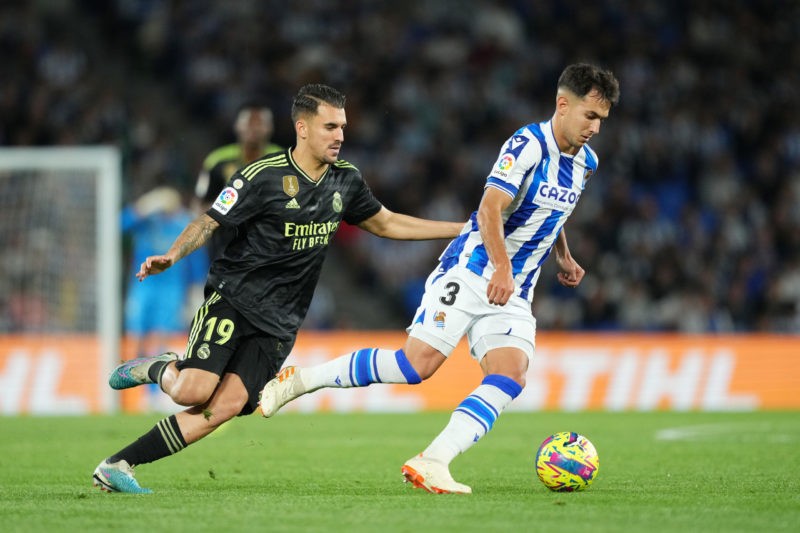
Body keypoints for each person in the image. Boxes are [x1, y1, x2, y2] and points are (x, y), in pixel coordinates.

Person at [259, 63, 620, 494]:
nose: (595, 128)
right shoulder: (527, 145)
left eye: (602, 119)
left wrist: (563, 254)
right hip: (472, 272)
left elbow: (550, 211)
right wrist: (502, 267)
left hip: (514, 290)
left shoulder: (586, 163)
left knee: (511, 375)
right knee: (415, 367)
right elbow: (489, 209)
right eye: (590, 116)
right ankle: (302, 379)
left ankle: (433, 460)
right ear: (563, 105)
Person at [91, 84, 464, 494]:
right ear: (302, 128)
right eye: (330, 127)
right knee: (191, 390)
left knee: (225, 407)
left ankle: (118, 465)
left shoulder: (346, 181)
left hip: (281, 322)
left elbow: (387, 223)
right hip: (234, 300)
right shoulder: (261, 176)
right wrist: (172, 255)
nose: (340, 135)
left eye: (342, 126)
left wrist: (462, 230)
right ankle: (159, 368)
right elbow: (209, 220)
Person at [120, 186, 208, 411]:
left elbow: (196, 259)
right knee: (137, 339)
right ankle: (138, 390)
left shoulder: (184, 223)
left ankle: (153, 394)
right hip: (142, 286)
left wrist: (197, 292)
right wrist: (145, 205)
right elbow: (120, 224)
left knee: (160, 341)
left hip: (171, 290)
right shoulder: (148, 220)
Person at [194, 103, 283, 261]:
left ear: (270, 128)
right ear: (237, 126)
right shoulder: (217, 160)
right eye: (249, 122)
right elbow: (199, 206)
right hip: (225, 251)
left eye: (260, 123)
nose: (254, 128)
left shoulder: (285, 162)